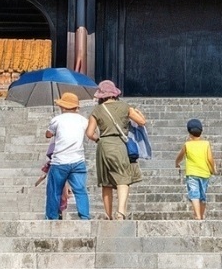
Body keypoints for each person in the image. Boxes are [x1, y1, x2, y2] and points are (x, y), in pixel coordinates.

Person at [86, 80, 147, 221]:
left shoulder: (97, 110)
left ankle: (108, 215)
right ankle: (120, 212)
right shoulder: (125, 106)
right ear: (114, 93)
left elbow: (89, 133)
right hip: (119, 144)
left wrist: (98, 140)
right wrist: (138, 112)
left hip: (103, 145)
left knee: (106, 182)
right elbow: (142, 122)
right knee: (123, 178)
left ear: (101, 95)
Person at [43, 91, 91, 220]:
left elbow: (48, 134)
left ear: (63, 106)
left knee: (54, 191)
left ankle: (52, 217)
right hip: (78, 161)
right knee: (80, 190)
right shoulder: (83, 120)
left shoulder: (57, 120)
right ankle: (85, 217)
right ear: (76, 107)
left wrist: (53, 127)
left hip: (60, 161)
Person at [175, 118, 216, 221]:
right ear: (201, 131)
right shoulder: (206, 144)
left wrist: (177, 163)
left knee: (194, 194)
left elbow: (180, 156)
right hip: (205, 173)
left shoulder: (187, 145)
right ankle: (201, 215)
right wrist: (213, 168)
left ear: (189, 133)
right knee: (202, 195)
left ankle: (197, 216)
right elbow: (210, 158)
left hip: (192, 174)